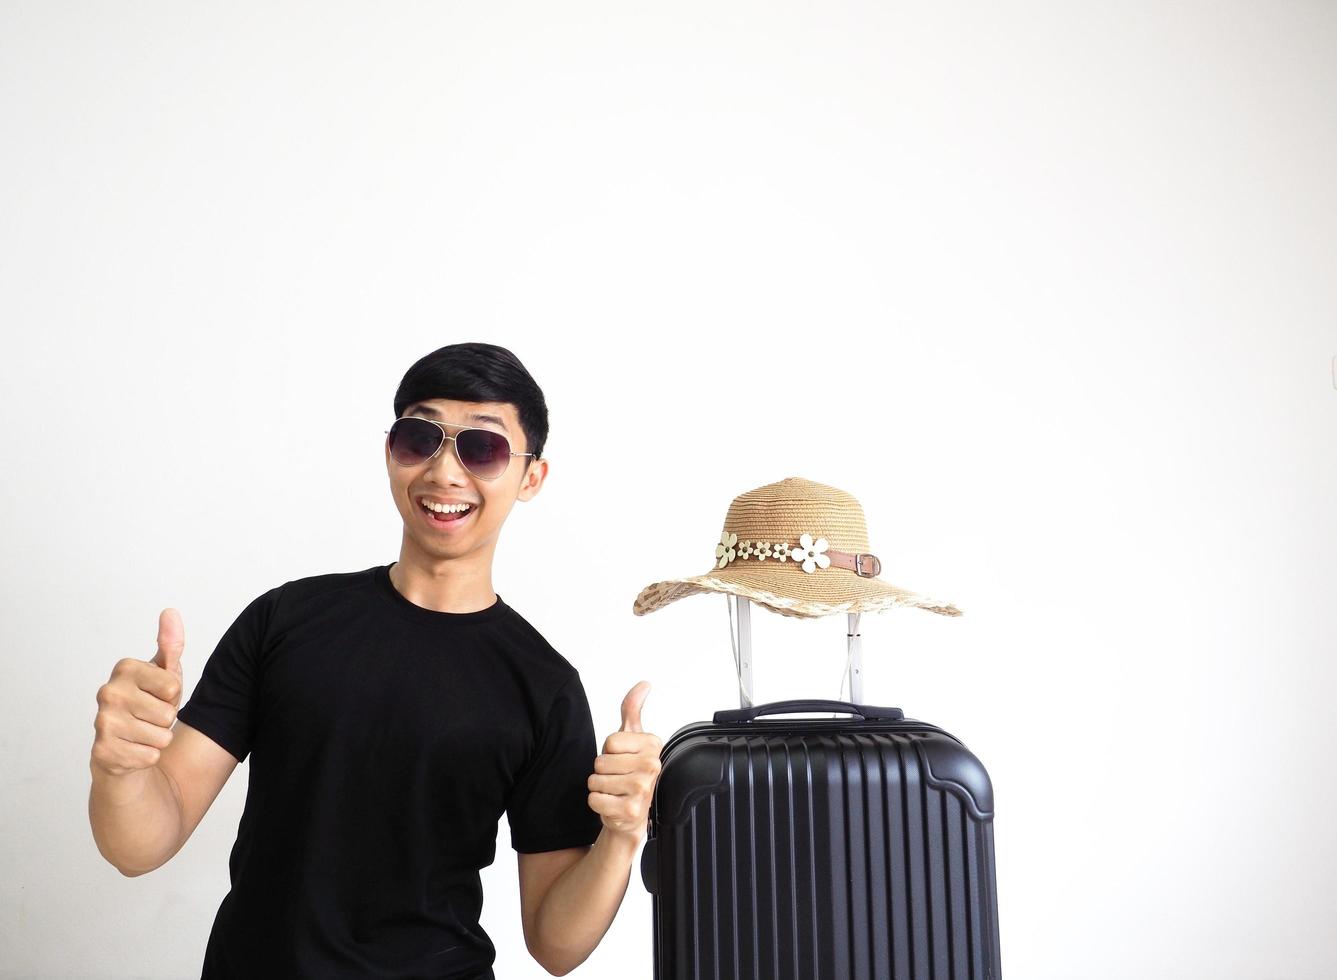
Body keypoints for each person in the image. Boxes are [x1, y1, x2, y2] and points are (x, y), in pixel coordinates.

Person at [88, 342, 664, 978]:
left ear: (531, 477)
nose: (445, 471)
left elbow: (555, 946)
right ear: (390, 450)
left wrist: (620, 838)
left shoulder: (543, 686)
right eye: (420, 437)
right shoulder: (285, 621)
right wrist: (120, 769)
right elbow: (139, 845)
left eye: (483, 448)